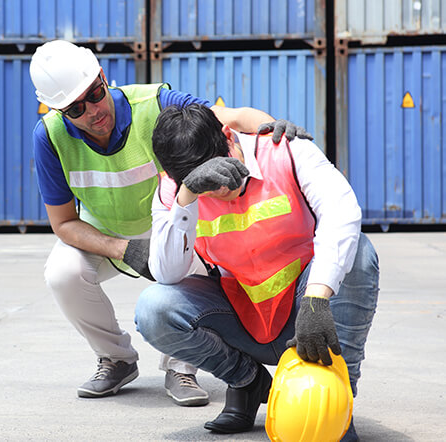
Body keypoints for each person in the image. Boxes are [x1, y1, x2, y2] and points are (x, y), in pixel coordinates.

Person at [29, 40, 312, 406]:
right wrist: (124, 249)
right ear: (59, 111)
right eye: (75, 108)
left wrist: (271, 129)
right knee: (62, 273)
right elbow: (64, 223)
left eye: (95, 93)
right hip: (105, 233)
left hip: (167, 220)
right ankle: (115, 358)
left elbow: (232, 119)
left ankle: (182, 365)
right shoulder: (49, 138)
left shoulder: (156, 103)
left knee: (190, 257)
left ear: (103, 77)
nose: (92, 111)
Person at [135, 103, 379, 441]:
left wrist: (317, 299)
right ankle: (247, 382)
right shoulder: (175, 190)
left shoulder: (286, 151)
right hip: (244, 318)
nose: (218, 191)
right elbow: (167, 272)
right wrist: (187, 196)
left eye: (220, 174)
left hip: (307, 314)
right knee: (154, 307)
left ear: (229, 137)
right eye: (206, 184)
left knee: (360, 253)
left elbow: (342, 210)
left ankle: (338, 403)